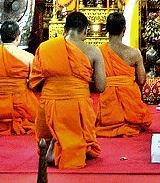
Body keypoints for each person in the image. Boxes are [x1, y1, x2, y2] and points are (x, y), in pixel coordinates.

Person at [29, 11, 106, 169]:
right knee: (77, 145)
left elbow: (34, 83)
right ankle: (65, 148)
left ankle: (53, 143)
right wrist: (79, 84)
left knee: (52, 133)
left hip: (48, 105)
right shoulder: (93, 51)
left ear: (64, 29)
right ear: (86, 31)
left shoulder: (45, 47)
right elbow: (100, 87)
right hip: (77, 107)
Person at [95, 11, 152, 137]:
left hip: (107, 101)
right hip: (130, 99)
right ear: (124, 30)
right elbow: (142, 81)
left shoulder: (98, 52)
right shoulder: (134, 53)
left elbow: (95, 80)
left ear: (107, 29)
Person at [0, 20, 38, 135]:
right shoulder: (28, 57)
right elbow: (33, 84)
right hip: (23, 106)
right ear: (18, 36)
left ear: (0, 36)